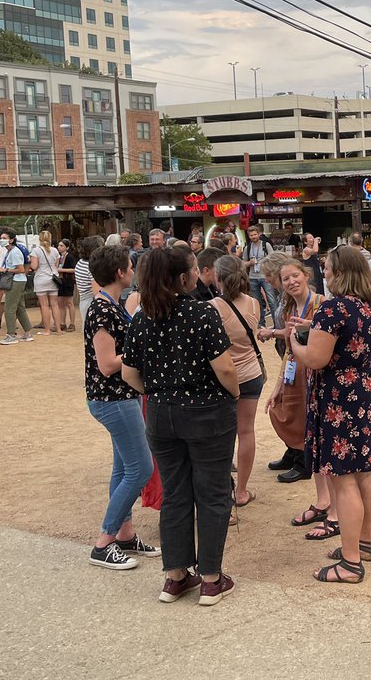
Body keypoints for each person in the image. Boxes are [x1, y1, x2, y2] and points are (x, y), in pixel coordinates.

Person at [120, 246, 241, 606]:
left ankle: (175, 576)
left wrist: (159, 392)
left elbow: (130, 373)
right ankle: (210, 578)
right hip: (207, 412)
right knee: (213, 492)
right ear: (184, 277)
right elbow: (225, 368)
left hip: (161, 414)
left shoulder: (143, 317)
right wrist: (231, 394)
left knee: (175, 493)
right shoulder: (201, 313)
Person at [290, 244, 371, 584]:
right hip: (365, 392)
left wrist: (294, 342)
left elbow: (315, 358)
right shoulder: (370, 307)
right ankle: (364, 541)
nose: (323, 273)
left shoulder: (332, 309)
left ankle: (350, 562)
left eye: (327, 267)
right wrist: (312, 328)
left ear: (341, 272)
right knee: (363, 474)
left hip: (337, 399)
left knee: (343, 480)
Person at [84, 244, 158, 570]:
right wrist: (143, 355)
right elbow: (106, 364)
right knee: (141, 468)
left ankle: (125, 534)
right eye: (129, 266)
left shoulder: (111, 305)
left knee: (124, 468)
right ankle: (104, 541)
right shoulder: (102, 309)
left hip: (121, 397)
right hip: (112, 397)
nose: (132, 270)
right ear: (119, 272)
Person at [260, 258, 324, 489]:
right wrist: (277, 385)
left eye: (295, 276)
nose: (291, 281)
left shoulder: (320, 303)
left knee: (306, 414)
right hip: (293, 367)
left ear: (305, 275)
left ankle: (305, 461)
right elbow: (289, 348)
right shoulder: (289, 307)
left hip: (313, 370)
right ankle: (296, 453)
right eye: (286, 278)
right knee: (284, 408)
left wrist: (311, 324)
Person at [211, 255, 265, 516]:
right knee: (247, 432)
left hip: (225, 377)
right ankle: (242, 490)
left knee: (222, 434)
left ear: (218, 278)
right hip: (251, 373)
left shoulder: (212, 307)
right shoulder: (254, 303)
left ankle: (225, 489)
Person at [0, 228, 33, 345]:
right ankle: (28, 332)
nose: (2, 240)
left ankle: (11, 334)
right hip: (17, 281)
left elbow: (21, 269)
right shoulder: (11, 251)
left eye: (5, 238)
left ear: (11, 240)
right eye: (1, 238)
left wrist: (5, 269)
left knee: (9, 308)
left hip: (15, 281)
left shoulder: (14, 252)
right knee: (20, 307)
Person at [32, 230, 63, 336]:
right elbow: (56, 265)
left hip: (41, 279)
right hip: (53, 279)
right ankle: (58, 329)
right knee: (55, 305)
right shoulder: (55, 251)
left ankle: (47, 330)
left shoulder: (36, 251)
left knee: (44, 305)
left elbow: (34, 266)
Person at [241, 224, 272, 327]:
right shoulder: (247, 248)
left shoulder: (266, 245)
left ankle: (278, 324)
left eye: (255, 234)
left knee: (272, 301)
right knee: (257, 303)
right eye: (251, 235)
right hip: (253, 277)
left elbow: (273, 259)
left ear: (259, 234)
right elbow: (243, 263)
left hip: (265, 277)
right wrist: (250, 263)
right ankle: (261, 324)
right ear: (249, 236)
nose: (253, 237)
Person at [75, 236, 103, 321]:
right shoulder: (91, 266)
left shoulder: (80, 262)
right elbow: (96, 291)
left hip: (84, 300)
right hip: (91, 300)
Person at [56, 239, 78, 332]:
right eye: (59, 245)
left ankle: (72, 323)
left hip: (68, 281)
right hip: (60, 281)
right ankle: (62, 323)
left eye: (61, 246)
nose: (59, 247)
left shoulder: (70, 257)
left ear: (67, 247)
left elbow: (74, 269)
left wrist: (62, 270)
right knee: (60, 303)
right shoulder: (58, 257)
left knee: (69, 303)